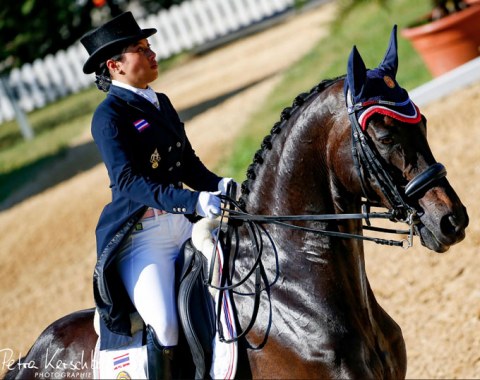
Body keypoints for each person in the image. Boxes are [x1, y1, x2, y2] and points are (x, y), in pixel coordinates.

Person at [80, 11, 233, 379]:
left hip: (182, 226)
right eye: (141, 49)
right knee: (164, 324)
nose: (152, 53)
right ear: (115, 65)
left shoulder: (160, 102)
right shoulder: (108, 117)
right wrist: (191, 200)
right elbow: (129, 182)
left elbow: (188, 166)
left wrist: (220, 185)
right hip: (144, 240)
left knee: (241, 279)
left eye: (150, 46)